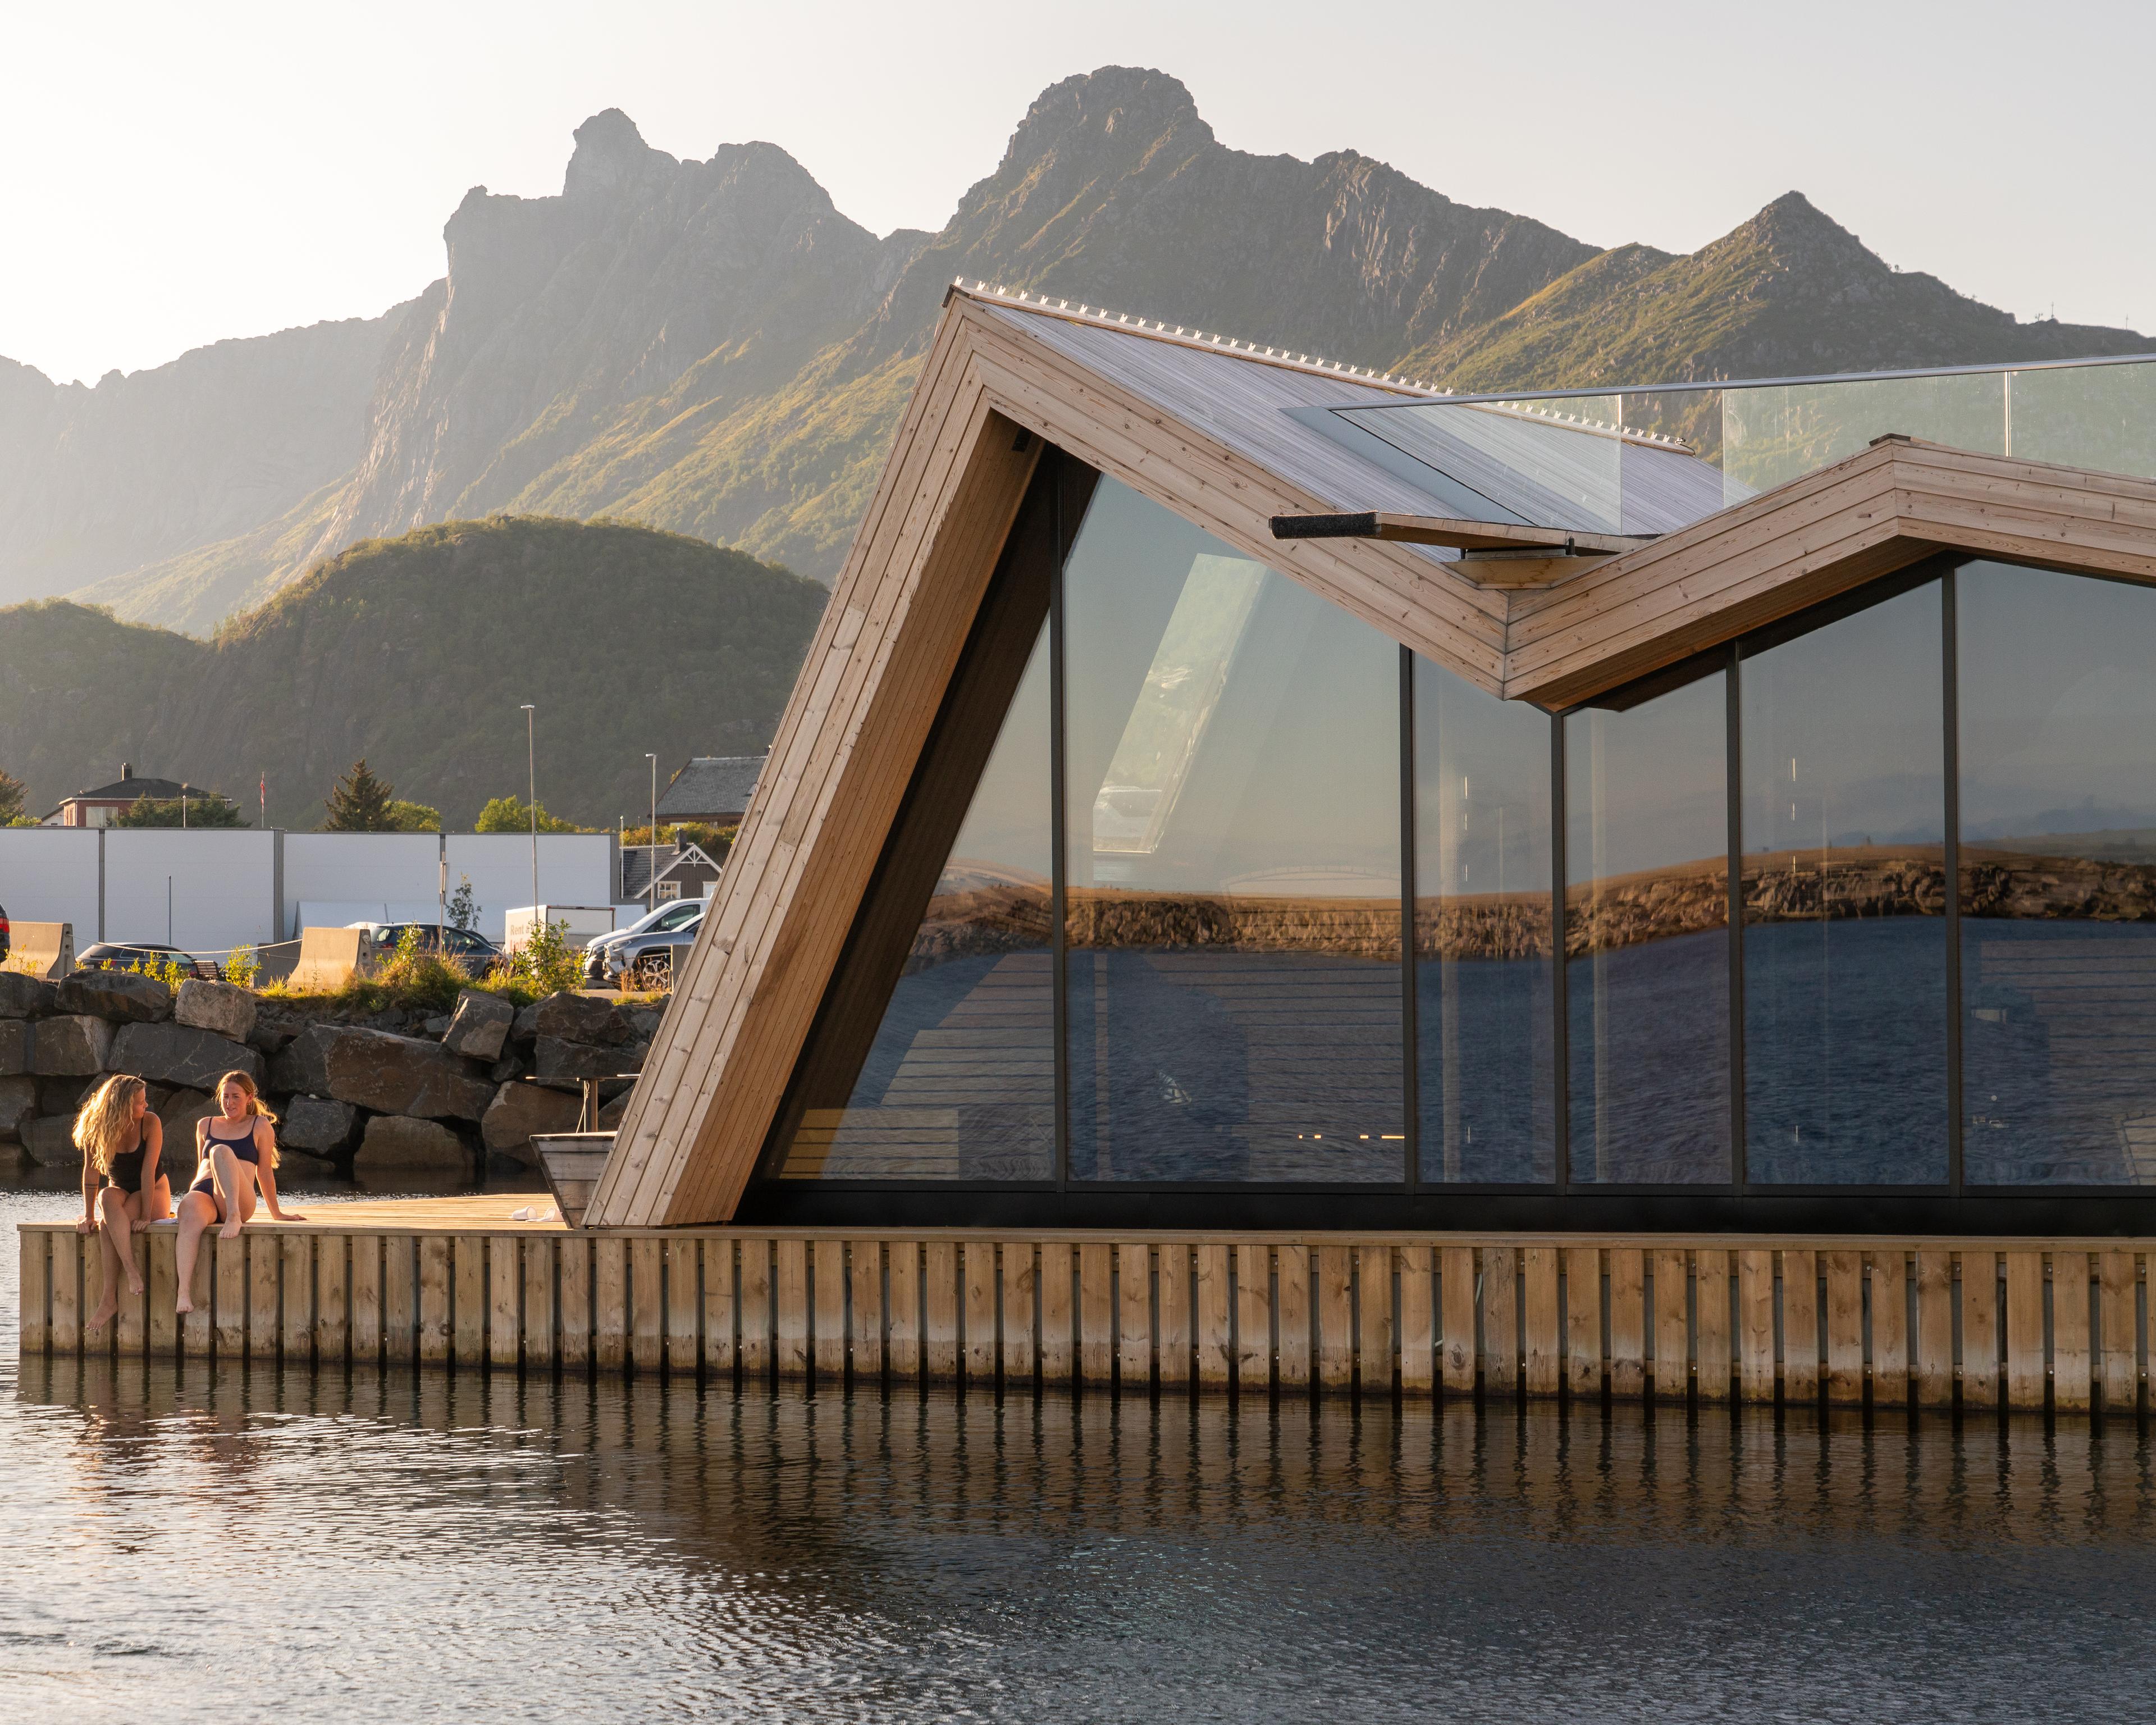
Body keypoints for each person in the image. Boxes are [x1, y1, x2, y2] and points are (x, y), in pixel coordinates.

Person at [174, 1070, 303, 1314]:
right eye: (225, 1097)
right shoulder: (205, 1125)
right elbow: (199, 1167)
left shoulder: (260, 1126)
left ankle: (233, 1216)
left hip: (238, 1200)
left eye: (235, 1097)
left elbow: (264, 1172)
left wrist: (277, 1213)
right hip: (205, 1192)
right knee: (189, 1214)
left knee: (220, 1152)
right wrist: (190, 1198)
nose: (229, 1103)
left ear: (249, 1098)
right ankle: (184, 1293)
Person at [74, 1075, 168, 1335]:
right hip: (121, 1191)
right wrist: (88, 1215)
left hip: (154, 1191)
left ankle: (108, 1299)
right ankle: (129, 1270)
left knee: (110, 1225)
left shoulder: (150, 1123)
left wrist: (147, 1215)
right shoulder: (97, 1124)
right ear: (124, 1105)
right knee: (106, 1197)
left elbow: (148, 1172)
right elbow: (91, 1173)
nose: (146, 1105)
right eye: (140, 1102)